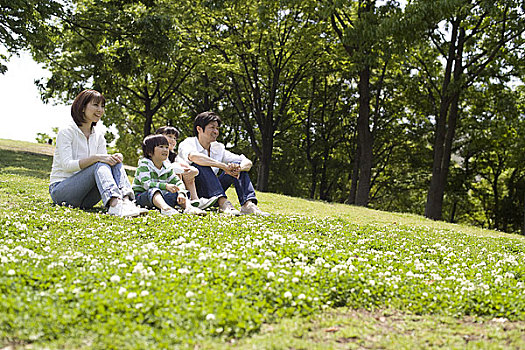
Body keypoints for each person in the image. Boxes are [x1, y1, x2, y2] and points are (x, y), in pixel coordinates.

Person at [49, 89, 146, 217]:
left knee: (112, 163)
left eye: (102, 106)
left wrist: (114, 158)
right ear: (82, 107)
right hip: (62, 192)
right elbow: (67, 166)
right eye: (95, 105)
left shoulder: (99, 135)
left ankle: (126, 202)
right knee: (99, 162)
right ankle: (115, 204)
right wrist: (96, 158)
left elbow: (105, 166)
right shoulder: (67, 132)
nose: (100, 110)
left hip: (86, 198)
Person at [177, 111, 269, 216]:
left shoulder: (218, 147)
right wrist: (223, 166)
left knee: (237, 165)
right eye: (212, 128)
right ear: (199, 129)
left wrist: (239, 168)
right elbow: (194, 157)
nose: (216, 131)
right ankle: (223, 204)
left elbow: (247, 161)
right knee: (200, 164)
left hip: (213, 189)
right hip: (195, 192)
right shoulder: (188, 143)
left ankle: (248, 205)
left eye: (217, 128)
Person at [132, 134, 206, 216]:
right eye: (161, 147)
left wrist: (181, 192)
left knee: (178, 192)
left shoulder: (167, 167)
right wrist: (166, 186)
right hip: (142, 197)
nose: (165, 150)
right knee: (154, 191)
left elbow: (178, 182)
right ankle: (165, 208)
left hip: (162, 197)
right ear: (149, 152)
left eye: (167, 147)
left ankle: (188, 208)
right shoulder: (144, 165)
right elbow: (146, 184)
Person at [155, 126, 217, 210]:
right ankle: (185, 201)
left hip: (173, 185)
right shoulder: (156, 155)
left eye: (175, 138)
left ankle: (195, 200)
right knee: (177, 171)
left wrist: (191, 170)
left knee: (187, 173)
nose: (173, 140)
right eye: (169, 136)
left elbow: (183, 165)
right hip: (162, 185)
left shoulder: (174, 156)